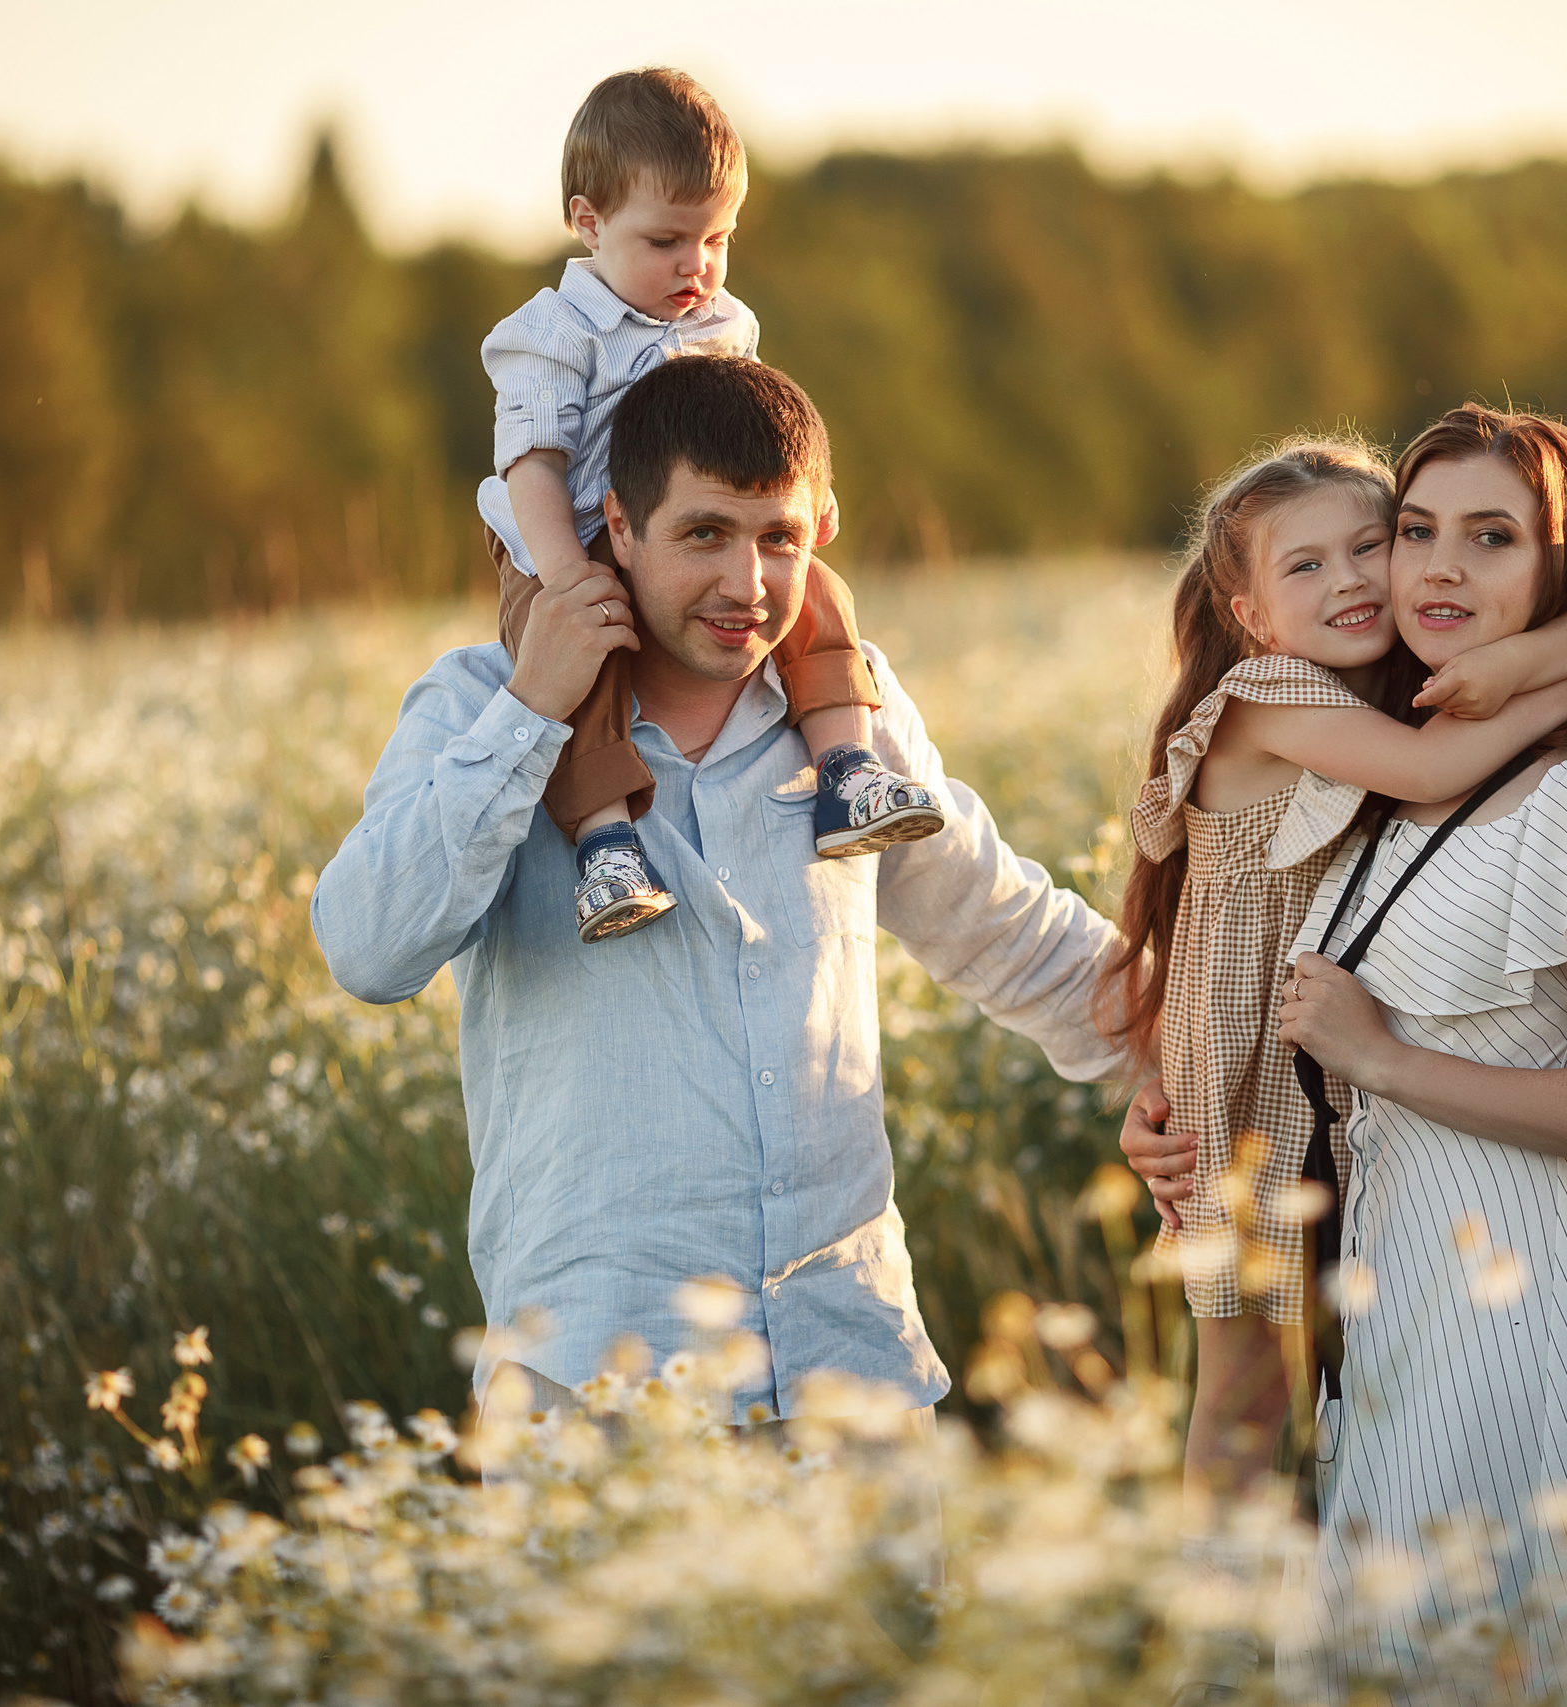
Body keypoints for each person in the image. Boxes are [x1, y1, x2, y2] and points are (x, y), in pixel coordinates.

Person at [311, 353, 1123, 1441]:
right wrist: (536, 708)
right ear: (618, 526)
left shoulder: (845, 710)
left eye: (778, 538)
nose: (747, 586)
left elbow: (1006, 933)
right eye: (705, 534)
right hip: (595, 1392)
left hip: (853, 1375)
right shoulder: (477, 701)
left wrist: (1207, 1063)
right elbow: (367, 950)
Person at [1098, 435, 1567, 1702]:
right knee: (1244, 1373)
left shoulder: (1376, 683)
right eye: (1307, 563)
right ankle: (1214, 1649)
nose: (1354, 579)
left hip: (1312, 1064)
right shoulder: (1275, 696)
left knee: (1325, 1357)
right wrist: (1553, 699)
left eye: (1366, 544)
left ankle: (1325, 1620)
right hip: (1248, 1078)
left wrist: (1523, 656)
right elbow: (1445, 768)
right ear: (1245, 611)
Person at [1271, 404, 1567, 1700]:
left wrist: (1385, 1059)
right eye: (1416, 530)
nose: (1437, 569)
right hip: (1393, 1307)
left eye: (1491, 538)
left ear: (1560, 570)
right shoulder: (1401, 779)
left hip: (1523, 1306)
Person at [479, 67, 942, 945]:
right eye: (666, 241)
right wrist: (570, 578)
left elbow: (761, 433)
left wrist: (805, 499)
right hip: (563, 537)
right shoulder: (552, 334)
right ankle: (606, 837)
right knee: (587, 666)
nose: (696, 266)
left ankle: (847, 767)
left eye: (717, 239)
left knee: (814, 595)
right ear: (588, 221)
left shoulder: (723, 323)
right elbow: (530, 467)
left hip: (687, 538)